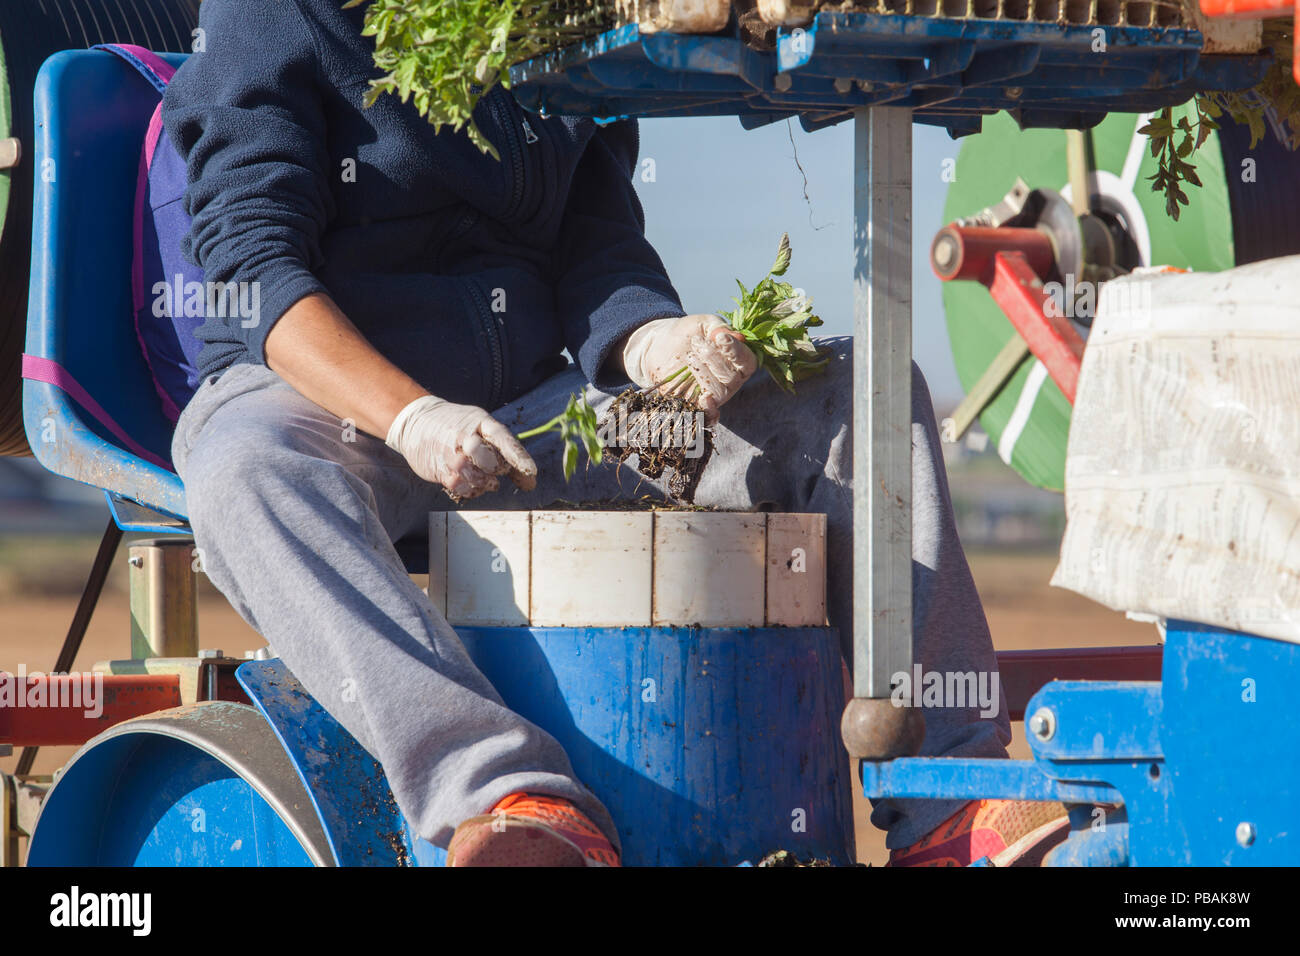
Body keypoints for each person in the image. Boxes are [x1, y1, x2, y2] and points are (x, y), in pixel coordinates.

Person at [163, 0, 1066, 866]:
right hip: (327, 413)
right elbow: (255, 267)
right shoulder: (274, 12)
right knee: (244, 472)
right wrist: (411, 416)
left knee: (859, 393)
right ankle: (504, 798)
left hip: (540, 431)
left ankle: (952, 801)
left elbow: (596, 249)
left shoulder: (546, 22)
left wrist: (653, 343)